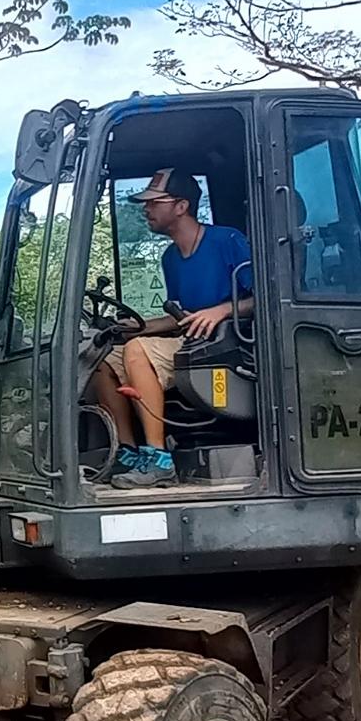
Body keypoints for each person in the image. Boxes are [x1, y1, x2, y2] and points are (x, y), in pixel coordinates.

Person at [90, 166, 253, 488]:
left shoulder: (227, 240)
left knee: (137, 352)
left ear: (181, 206)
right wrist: (139, 327)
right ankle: (127, 453)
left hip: (229, 344)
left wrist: (221, 310)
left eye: (154, 202)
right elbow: (180, 317)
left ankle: (159, 460)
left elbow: (265, 298)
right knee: (102, 359)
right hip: (191, 340)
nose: (146, 209)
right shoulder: (171, 258)